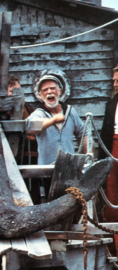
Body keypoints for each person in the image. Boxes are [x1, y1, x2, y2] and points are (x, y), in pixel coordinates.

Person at [27, 72, 86, 201]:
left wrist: (86, 156)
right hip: (48, 170)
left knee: (71, 202)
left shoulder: (70, 111)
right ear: (40, 95)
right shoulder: (39, 113)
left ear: (60, 91)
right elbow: (31, 128)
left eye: (52, 88)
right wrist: (53, 120)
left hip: (69, 169)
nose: (49, 92)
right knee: (51, 203)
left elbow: (83, 133)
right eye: (45, 90)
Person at [100, 66, 118, 222]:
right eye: (114, 80)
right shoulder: (111, 104)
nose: (115, 84)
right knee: (112, 188)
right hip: (114, 146)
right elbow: (105, 132)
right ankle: (114, 239)